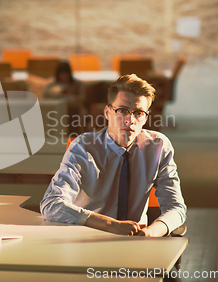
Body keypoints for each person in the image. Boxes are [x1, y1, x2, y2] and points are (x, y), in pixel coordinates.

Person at [40, 74, 186, 237]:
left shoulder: (158, 146)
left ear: (145, 118)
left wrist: (151, 232)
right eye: (122, 110)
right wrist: (109, 225)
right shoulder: (84, 147)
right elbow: (51, 205)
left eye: (138, 112)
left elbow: (176, 207)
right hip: (88, 240)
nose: (130, 120)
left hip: (137, 243)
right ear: (107, 112)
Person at [43, 61, 85, 134]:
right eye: (61, 74)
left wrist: (68, 95)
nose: (63, 76)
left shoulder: (77, 85)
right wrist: (57, 94)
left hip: (72, 111)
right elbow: (45, 97)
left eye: (65, 74)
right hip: (55, 112)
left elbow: (81, 99)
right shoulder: (52, 86)